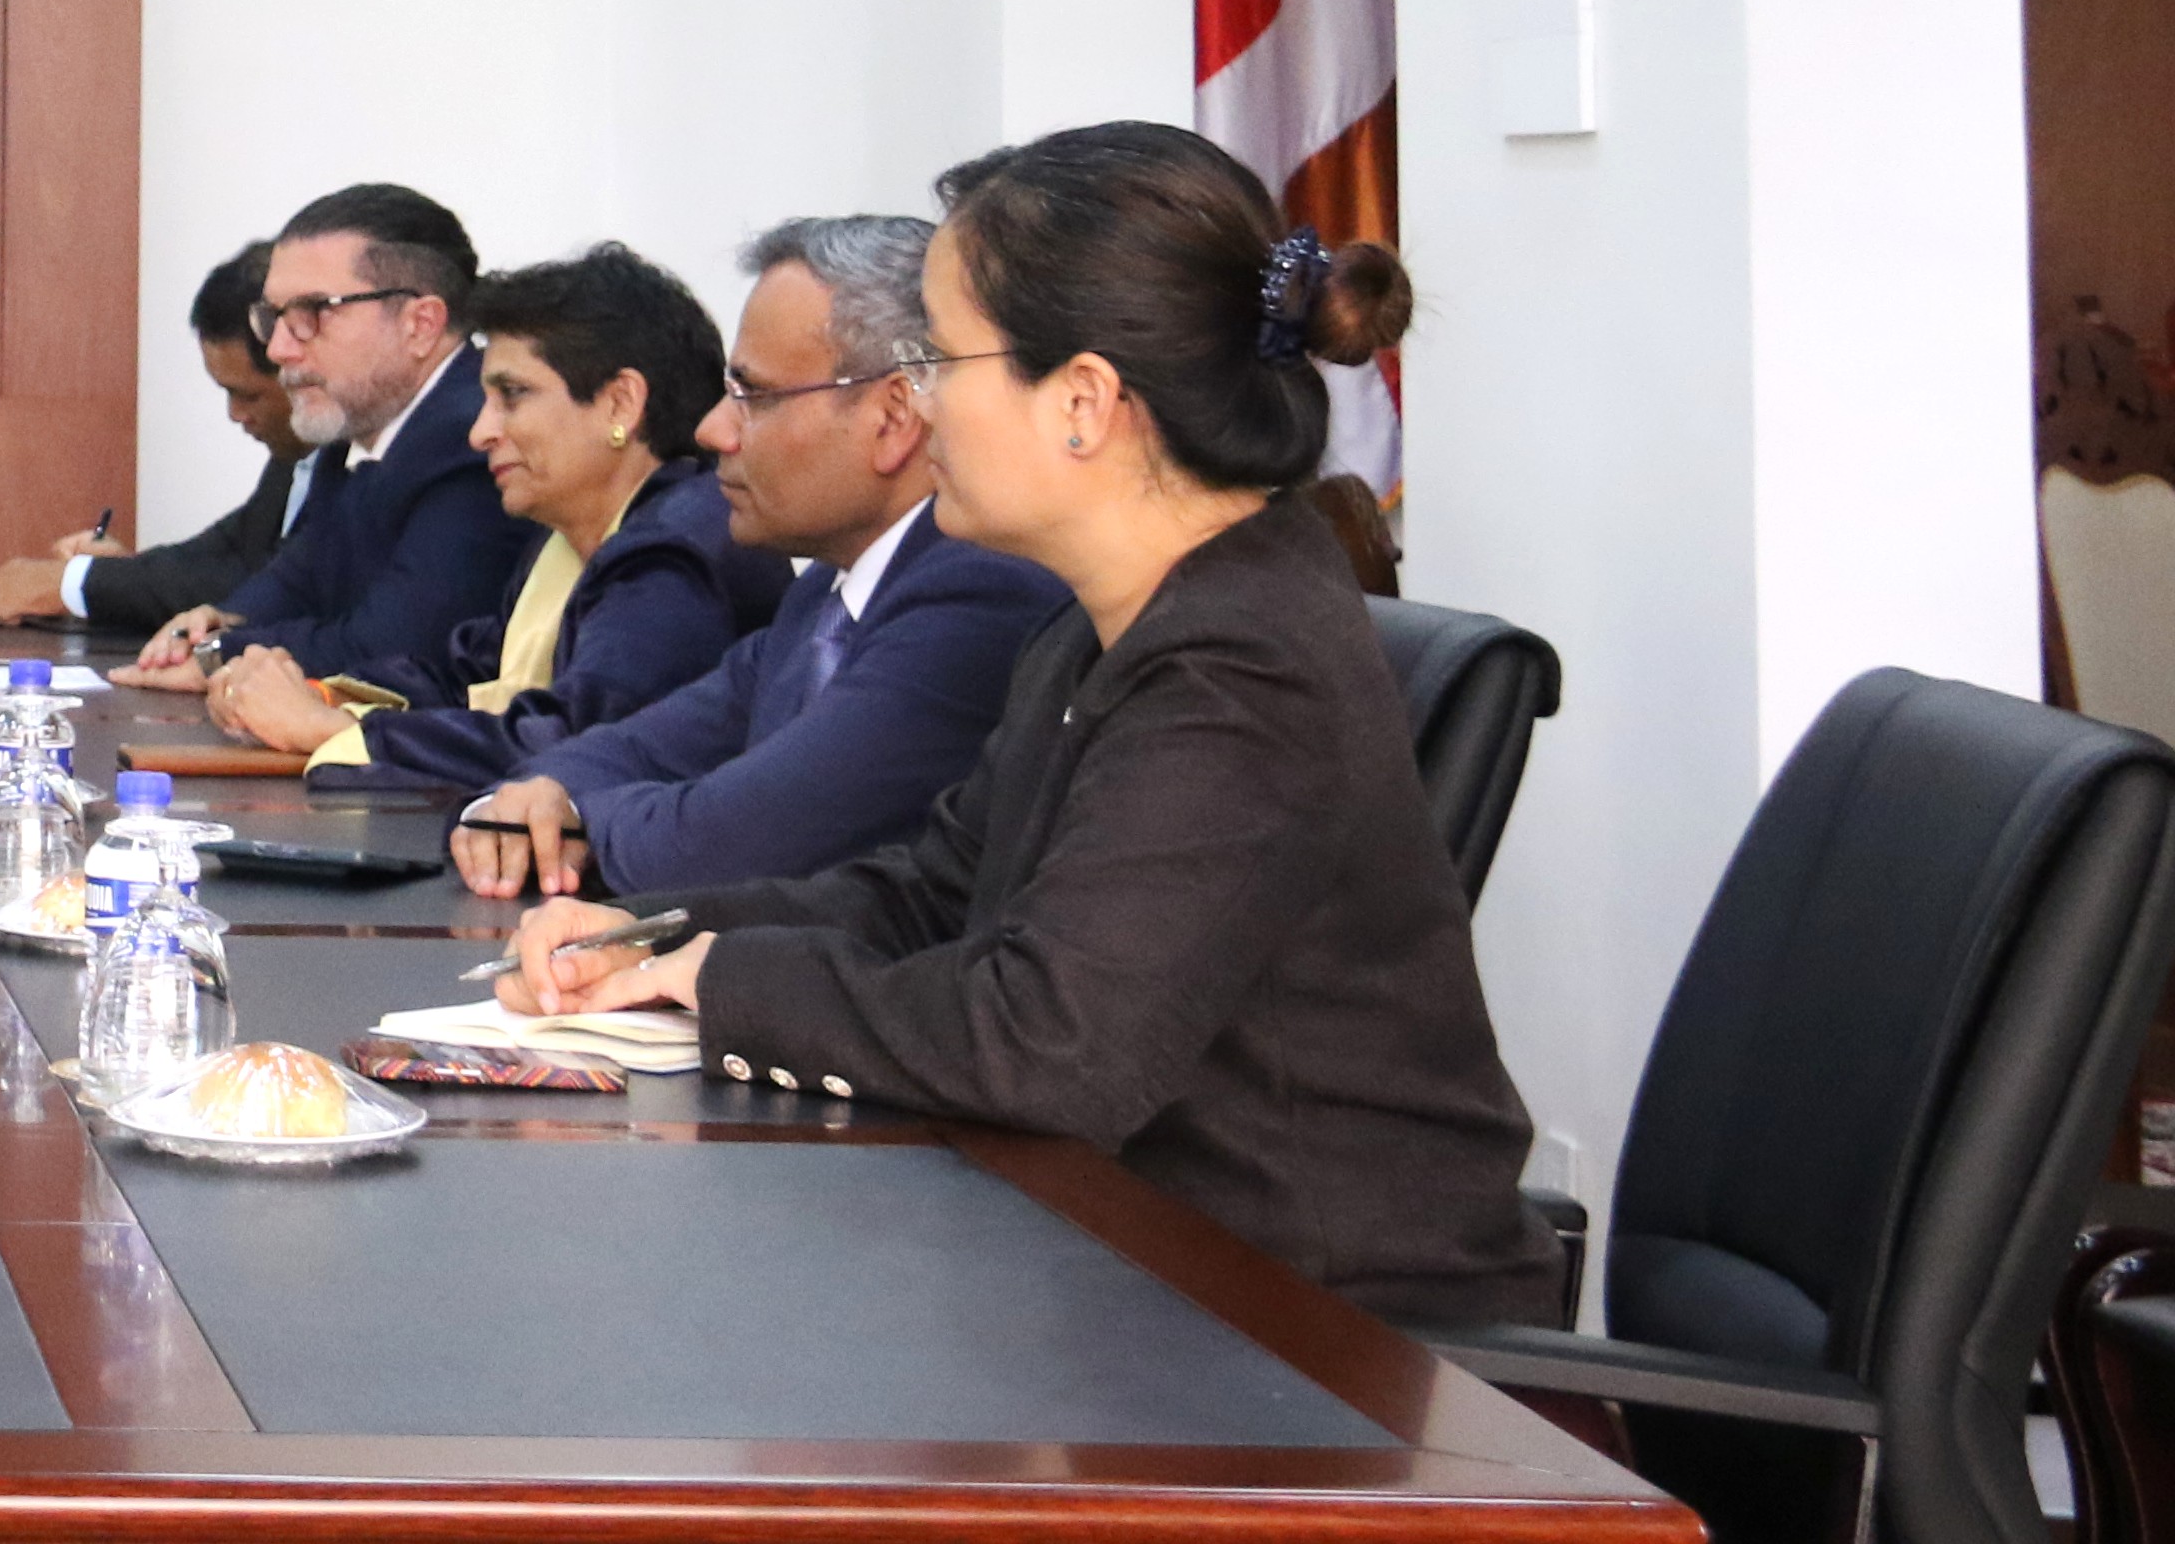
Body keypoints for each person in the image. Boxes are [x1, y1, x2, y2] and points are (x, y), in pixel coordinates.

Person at [499, 122, 1551, 1327]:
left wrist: (722, 980)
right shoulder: (1107, 623)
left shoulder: (1242, 665)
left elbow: (1050, 1044)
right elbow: (932, 896)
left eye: (942, 361)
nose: (921, 407)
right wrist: (648, 935)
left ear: (1083, 403)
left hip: (1324, 1346)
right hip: (1134, 1272)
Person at [444, 215, 1067, 901]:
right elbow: (635, 747)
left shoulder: (980, 590)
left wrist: (574, 820)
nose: (714, 429)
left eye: (754, 395)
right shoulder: (824, 594)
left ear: (892, 417)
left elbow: (731, 842)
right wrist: (534, 799)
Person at [197, 245, 767, 780]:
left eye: (512, 396)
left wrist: (330, 731)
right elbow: (464, 679)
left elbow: (572, 747)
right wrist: (320, 693)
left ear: (620, 403)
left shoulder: (674, 554)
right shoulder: (565, 539)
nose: (480, 432)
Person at [122, 183, 525, 687]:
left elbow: (394, 649)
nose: (278, 349)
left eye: (312, 313)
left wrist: (222, 655)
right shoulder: (355, 428)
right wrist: (221, 623)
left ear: (420, 325)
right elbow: (300, 576)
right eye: (274, 317)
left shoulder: (474, 440)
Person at [0, 244, 310, 637]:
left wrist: (75, 584)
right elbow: (220, 552)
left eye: (247, 395)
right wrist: (117, 573)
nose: (234, 414)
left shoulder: (347, 461)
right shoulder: (296, 459)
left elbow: (262, 587)